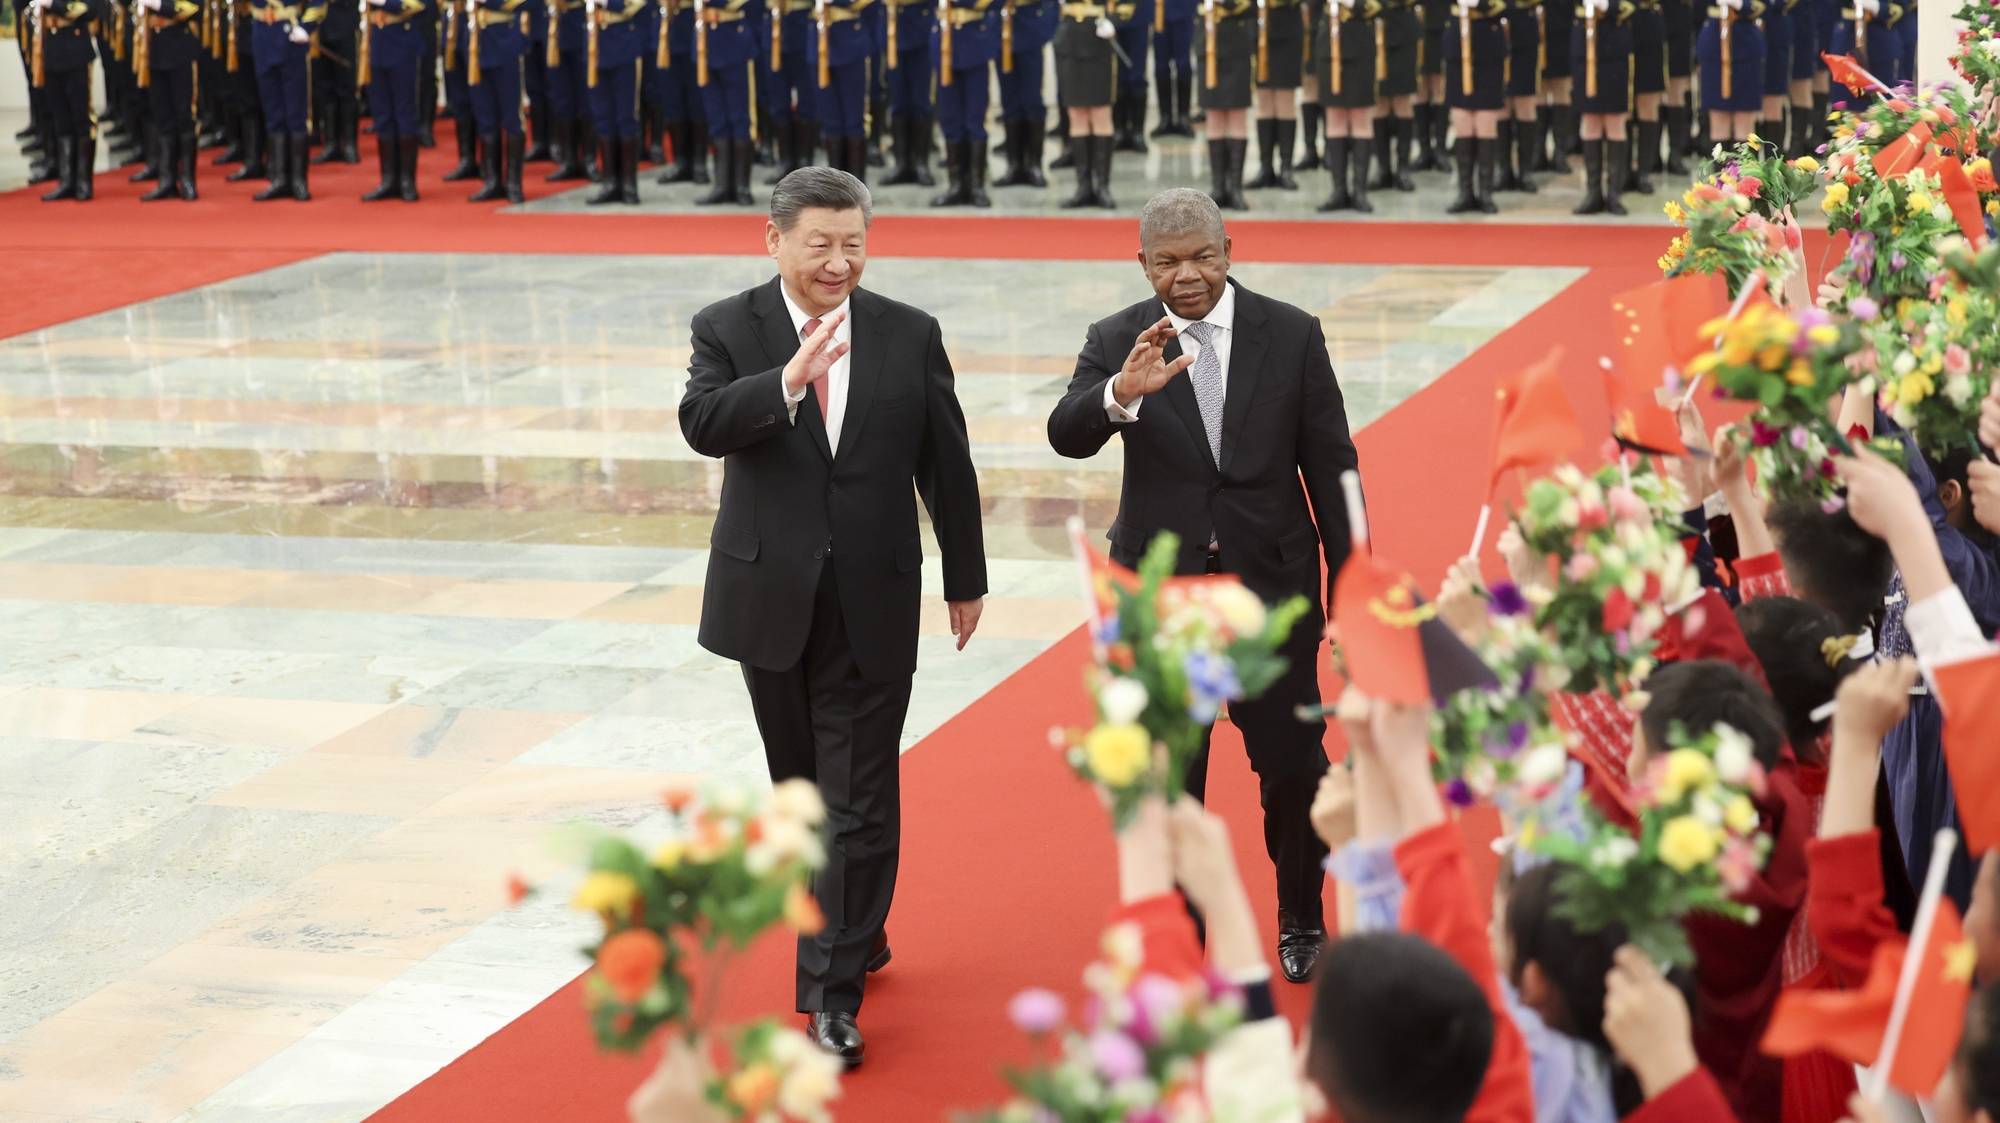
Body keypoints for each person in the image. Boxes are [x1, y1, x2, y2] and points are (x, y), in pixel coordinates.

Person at [678, 167, 988, 1068]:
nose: (839, 261)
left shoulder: (908, 333)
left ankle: (828, 995)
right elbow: (700, 421)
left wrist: (964, 576)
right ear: (772, 241)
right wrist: (785, 381)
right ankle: (859, 925)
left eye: (853, 243)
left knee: (855, 799)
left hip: (874, 596)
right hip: (768, 597)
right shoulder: (728, 328)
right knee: (804, 792)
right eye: (820, 243)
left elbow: (948, 463)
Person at [1047, 189, 1360, 984]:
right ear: (1141, 263)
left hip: (1272, 588)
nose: (1186, 276)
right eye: (1167, 261)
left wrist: (1354, 590)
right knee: (1173, 773)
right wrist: (1120, 395)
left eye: (1201, 256)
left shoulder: (1290, 333)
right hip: (1165, 595)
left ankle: (1300, 914)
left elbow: (1332, 466)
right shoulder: (1121, 339)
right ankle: (1182, 935)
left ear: (1230, 249)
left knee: (1293, 766)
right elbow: (1066, 432)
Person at [32, 0, 110, 202]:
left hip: (75, 48)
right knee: (60, 119)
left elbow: (91, 9)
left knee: (81, 117)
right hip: (50, 48)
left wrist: (54, 4)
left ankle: (83, 181)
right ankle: (66, 180)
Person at [1313, 0, 1383, 211]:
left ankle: (1360, 191)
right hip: (1328, 48)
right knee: (1334, 119)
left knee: (1361, 118)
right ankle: (1338, 190)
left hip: (1360, 47)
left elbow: (1380, 7)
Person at [928, 0, 999, 206]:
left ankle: (976, 186)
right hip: (944, 41)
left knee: (975, 119)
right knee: (950, 118)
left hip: (975, 40)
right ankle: (956, 185)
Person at [1569, 0, 1633, 216]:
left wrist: (1606, 6)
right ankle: (1593, 193)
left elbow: (1631, 7)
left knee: (1615, 122)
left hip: (1614, 50)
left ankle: (1615, 194)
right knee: (1590, 122)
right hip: (1584, 50)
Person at [1442, 0, 1506, 213]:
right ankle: (1465, 192)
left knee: (1485, 121)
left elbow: (1507, 7)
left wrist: (1481, 3)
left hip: (1488, 43)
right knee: (1462, 120)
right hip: (1457, 45)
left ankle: (1485, 192)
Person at [138, 0, 204, 201]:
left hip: (179, 48)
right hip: (155, 48)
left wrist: (160, 5)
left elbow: (193, 8)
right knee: (163, 117)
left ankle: (187, 179)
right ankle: (166, 179)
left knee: (184, 116)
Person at [361, 0, 427, 200]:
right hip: (376, 40)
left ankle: (407, 180)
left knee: (404, 111)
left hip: (401, 40)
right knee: (382, 114)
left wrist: (386, 2)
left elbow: (418, 4)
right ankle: (388, 179)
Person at [1053, 0, 1116, 207]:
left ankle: (1103, 186)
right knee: (1076, 115)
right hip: (1070, 39)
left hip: (1098, 36)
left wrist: (1114, 21)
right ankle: (1083, 186)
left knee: (1101, 114)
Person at [806, 0, 878, 178]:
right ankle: (836, 186)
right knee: (830, 120)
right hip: (819, 38)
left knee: (854, 120)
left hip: (850, 39)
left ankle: (855, 188)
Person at [1193, 0, 1254, 208]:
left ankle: (1235, 187)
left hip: (1237, 42)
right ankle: (1218, 186)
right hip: (1209, 45)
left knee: (1237, 117)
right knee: (1214, 117)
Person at [467, 0, 529, 201]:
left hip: (506, 43)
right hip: (478, 41)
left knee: (512, 117)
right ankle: (492, 181)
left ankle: (513, 183)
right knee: (485, 116)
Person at [994, 0, 1055, 185]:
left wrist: (1045, 27)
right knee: (1009, 101)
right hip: (1000, 28)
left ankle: (1034, 165)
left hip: (1030, 26)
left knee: (1032, 100)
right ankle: (1014, 165)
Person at [1244, 0, 1301, 190]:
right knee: (1263, 100)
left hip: (1287, 26)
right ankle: (1265, 167)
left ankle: (1286, 168)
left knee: (1285, 99)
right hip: (1258, 27)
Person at [879, 0, 936, 184]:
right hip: (892, 27)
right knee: (898, 102)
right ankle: (901, 164)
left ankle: (921, 164)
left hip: (921, 25)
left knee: (921, 102)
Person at [1696, 0, 1764, 144]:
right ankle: (1721, 166)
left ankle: (1747, 166)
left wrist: (1741, 4)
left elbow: (1764, 6)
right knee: (1718, 118)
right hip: (1714, 43)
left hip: (1746, 43)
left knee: (1745, 121)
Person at [309, 0, 361, 164]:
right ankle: (331, 142)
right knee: (325, 88)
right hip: (318, 25)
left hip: (344, 21)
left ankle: (349, 143)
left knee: (346, 88)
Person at [1152, 0, 1198, 135]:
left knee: (1183, 64)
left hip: (1184, 10)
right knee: (1160, 66)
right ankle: (1165, 117)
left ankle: (1184, 116)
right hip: (1158, 11)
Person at [1111, 0, 1151, 151]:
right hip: (1112, 12)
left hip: (1139, 10)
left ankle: (1137, 132)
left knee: (1137, 76)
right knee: (1117, 77)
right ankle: (1119, 131)